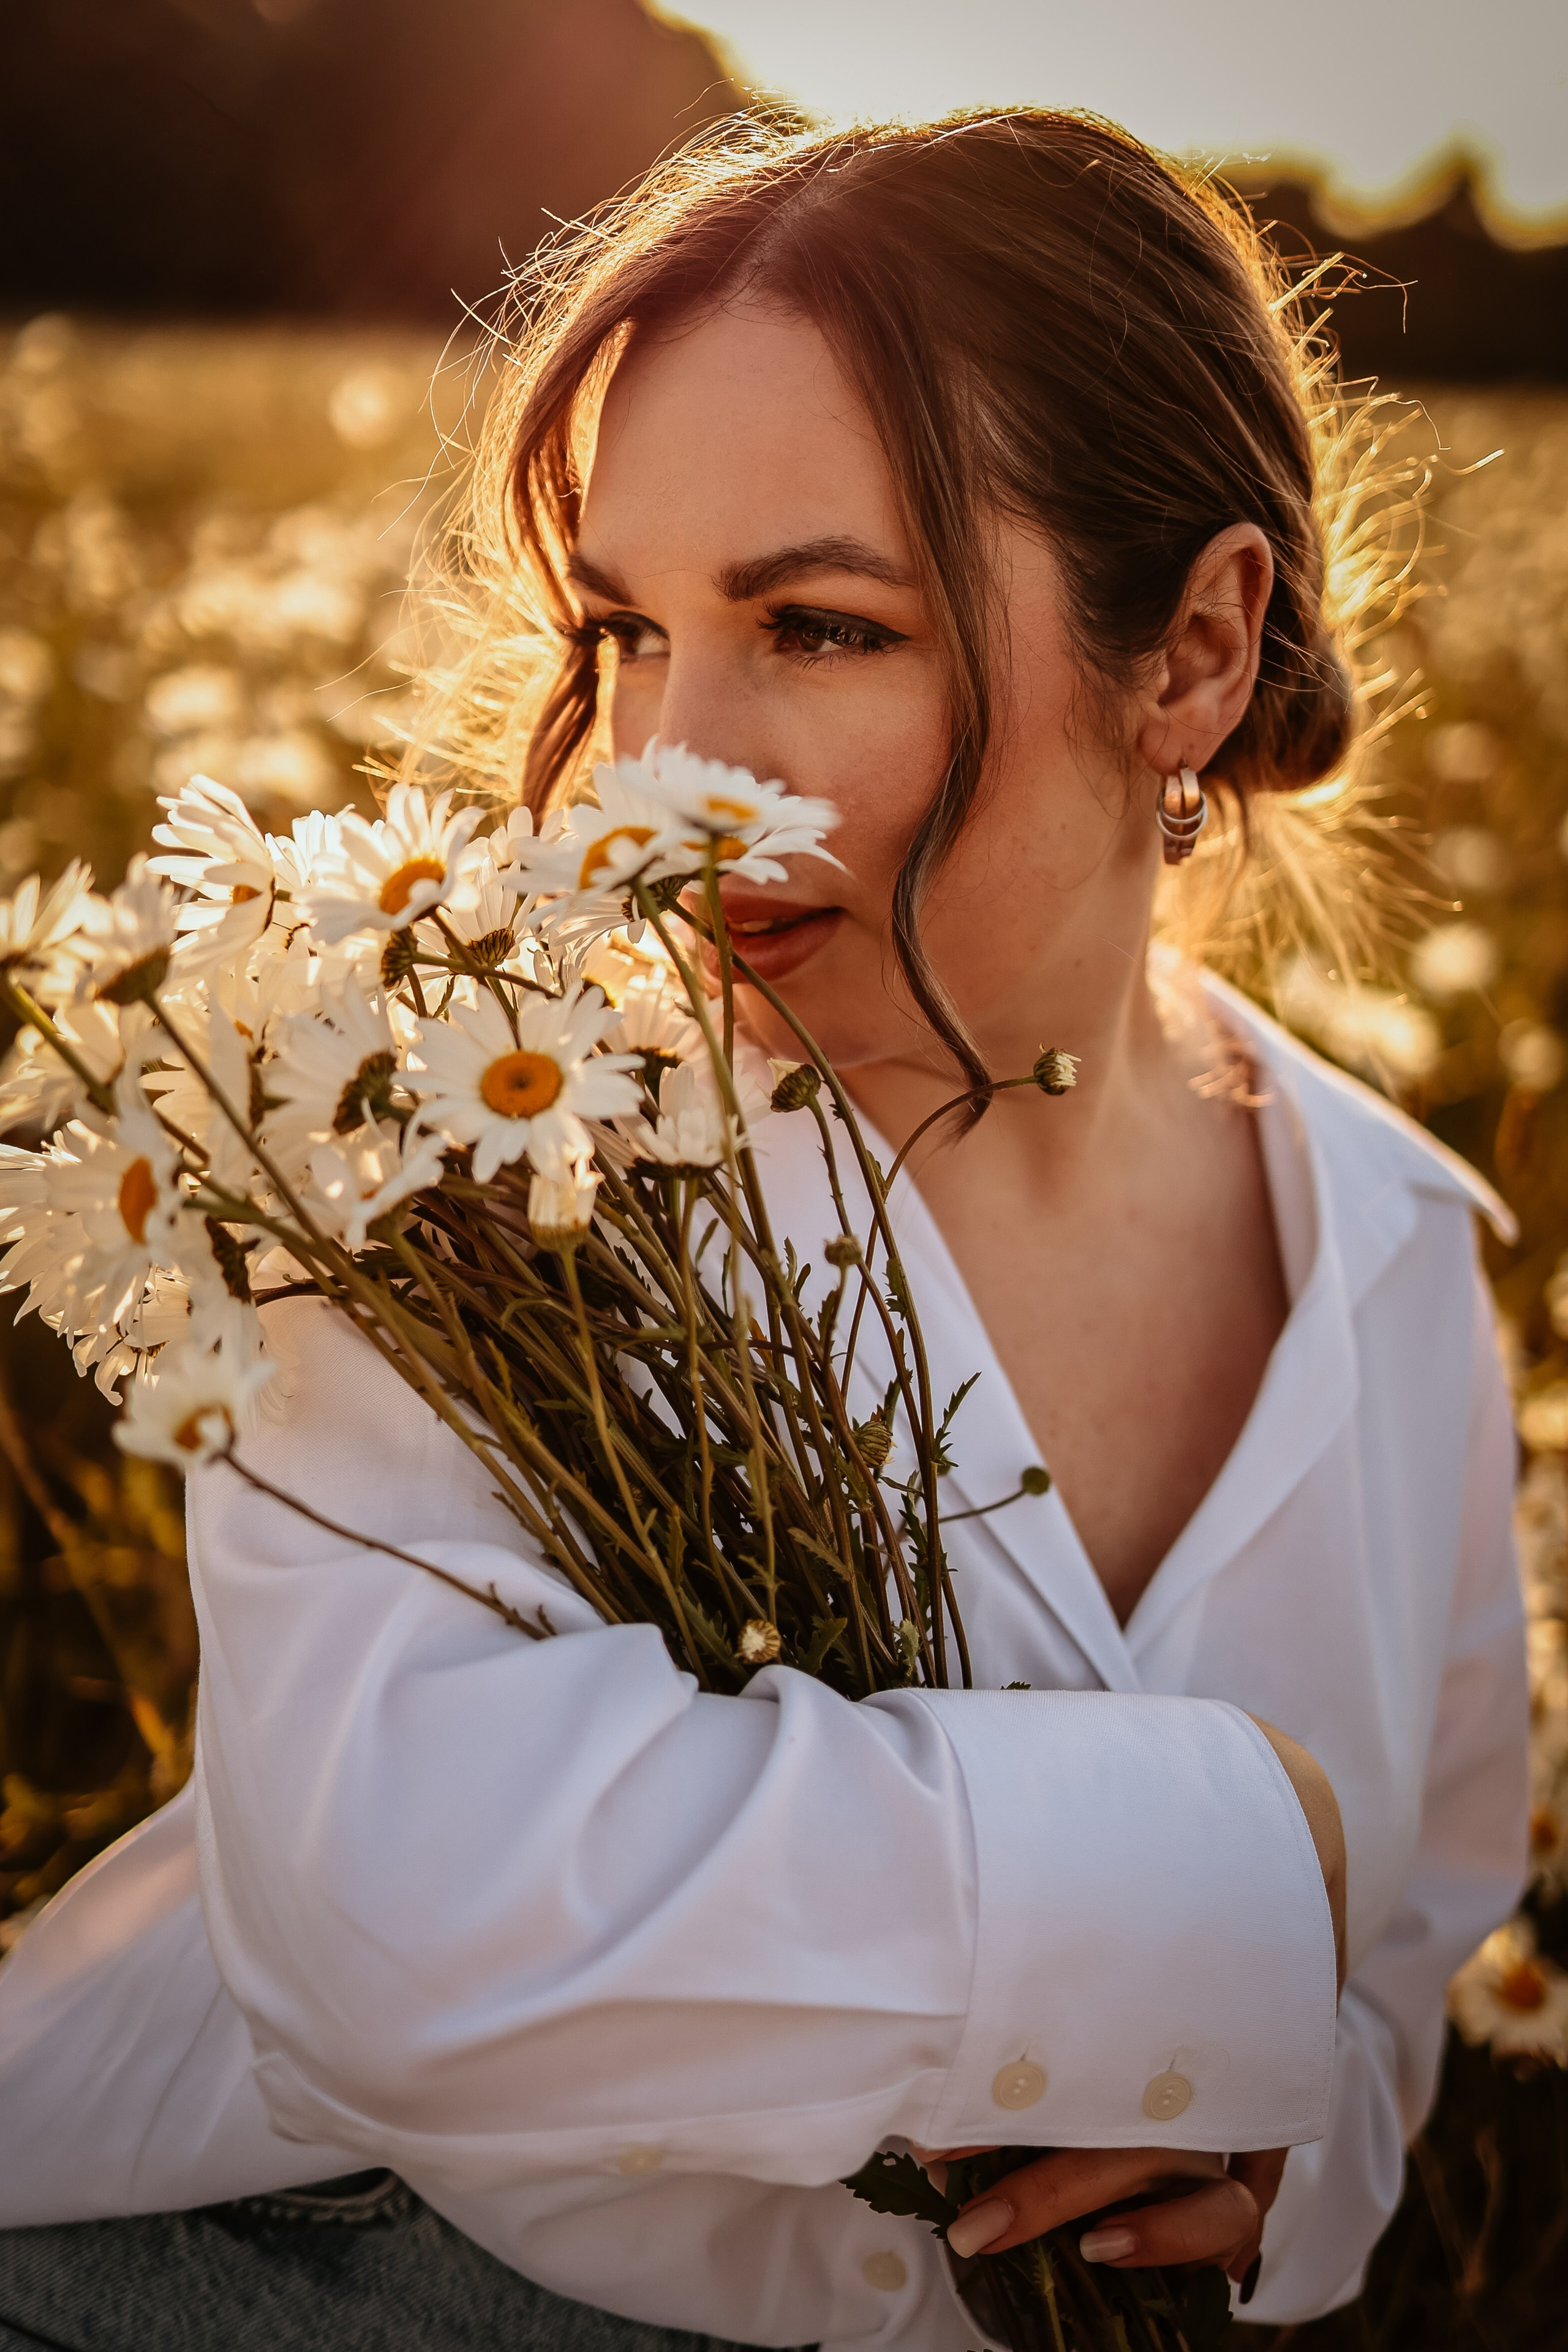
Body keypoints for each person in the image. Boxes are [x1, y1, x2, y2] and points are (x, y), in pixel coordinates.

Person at [0, 108, 1526, 2352]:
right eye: (624, 629)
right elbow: (395, 1932)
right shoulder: (442, 1173)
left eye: (820, 626)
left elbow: (1396, 1977)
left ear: (1195, 653)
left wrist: (1276, 2176)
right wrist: (1225, 1849)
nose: (663, 773)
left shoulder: (1396, 1258)